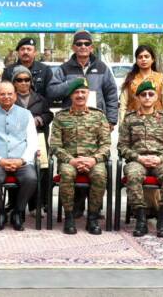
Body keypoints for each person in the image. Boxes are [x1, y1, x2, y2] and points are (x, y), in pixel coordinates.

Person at [117, 80, 163, 237]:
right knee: (132, 175)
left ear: (156, 97)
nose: (147, 97)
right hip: (137, 161)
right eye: (143, 94)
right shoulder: (129, 119)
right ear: (138, 97)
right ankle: (140, 219)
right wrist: (138, 157)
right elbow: (122, 146)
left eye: (151, 94)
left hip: (160, 161)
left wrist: (160, 158)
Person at [50, 78, 111, 235]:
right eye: (76, 92)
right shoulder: (61, 117)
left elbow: (106, 144)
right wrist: (71, 160)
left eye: (83, 92)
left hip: (93, 160)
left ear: (88, 94)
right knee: (66, 173)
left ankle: (92, 218)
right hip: (69, 160)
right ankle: (69, 217)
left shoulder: (99, 116)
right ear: (71, 95)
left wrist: (93, 160)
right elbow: (55, 145)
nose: (80, 95)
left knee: (100, 174)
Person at [0, 82, 39, 231]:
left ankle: (18, 211)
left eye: (9, 94)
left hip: (21, 160)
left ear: (15, 95)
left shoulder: (26, 114)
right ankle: (1, 211)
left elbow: (33, 142)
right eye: (2, 94)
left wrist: (22, 160)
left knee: (31, 178)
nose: (6, 97)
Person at [47, 30, 119, 127]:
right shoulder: (64, 68)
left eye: (87, 44)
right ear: (73, 47)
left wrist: (111, 120)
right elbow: (52, 92)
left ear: (91, 47)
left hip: (97, 123)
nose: (83, 46)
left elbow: (111, 95)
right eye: (79, 44)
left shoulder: (102, 68)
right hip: (71, 123)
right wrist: (70, 84)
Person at [10, 65, 53, 213]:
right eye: (19, 80)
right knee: (16, 169)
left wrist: (39, 119)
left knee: (40, 171)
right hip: (16, 140)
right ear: (14, 82)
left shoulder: (40, 99)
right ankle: (16, 205)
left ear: (31, 81)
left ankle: (36, 205)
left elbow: (49, 115)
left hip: (38, 138)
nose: (23, 83)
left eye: (27, 79)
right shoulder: (10, 99)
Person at [118, 45, 163, 123]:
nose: (143, 59)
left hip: (157, 124)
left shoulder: (161, 79)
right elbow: (123, 106)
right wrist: (122, 124)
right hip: (134, 123)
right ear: (136, 60)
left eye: (146, 56)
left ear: (153, 59)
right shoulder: (129, 79)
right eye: (140, 57)